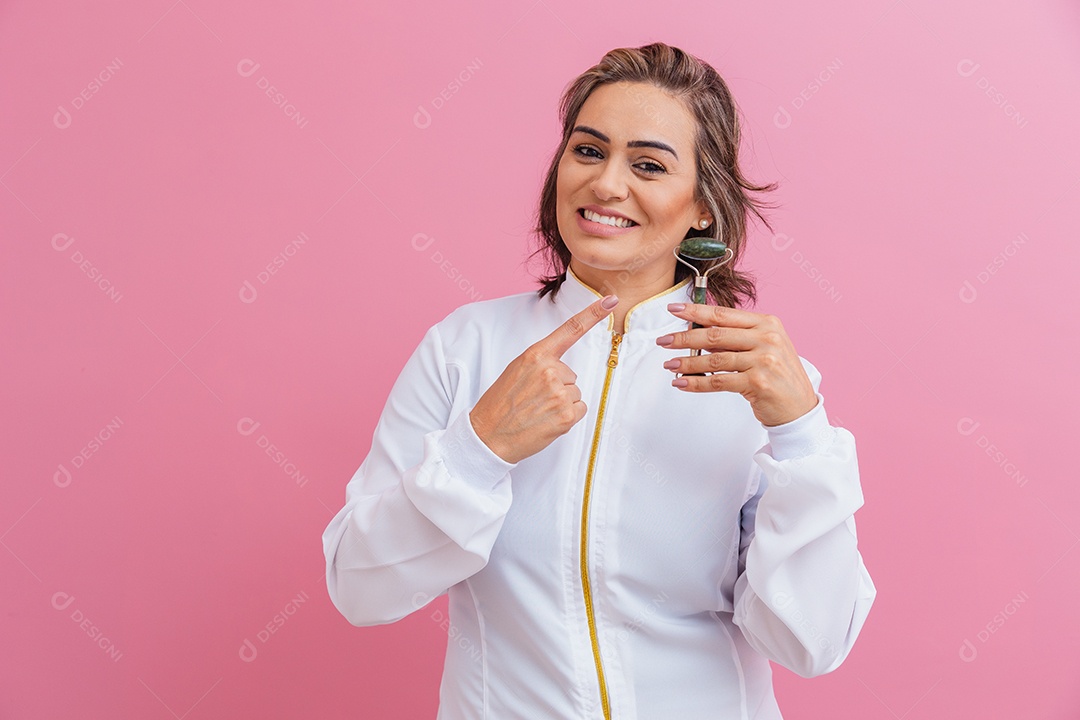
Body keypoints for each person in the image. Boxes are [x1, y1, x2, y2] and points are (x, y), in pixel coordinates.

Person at [322, 42, 876, 719]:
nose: (607, 184)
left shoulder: (758, 381)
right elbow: (361, 588)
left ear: (704, 206)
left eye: (647, 164)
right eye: (588, 151)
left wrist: (801, 433)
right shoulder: (464, 348)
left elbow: (812, 643)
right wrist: (479, 450)